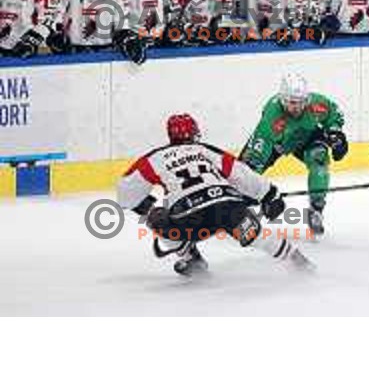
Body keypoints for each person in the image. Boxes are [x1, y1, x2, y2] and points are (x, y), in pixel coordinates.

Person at [117, 113, 311, 275]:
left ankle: (191, 258)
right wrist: (269, 195)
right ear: (194, 132)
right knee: (256, 235)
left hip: (188, 219)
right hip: (226, 208)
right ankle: (298, 261)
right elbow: (240, 172)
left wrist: (145, 207)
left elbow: (125, 189)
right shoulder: (204, 150)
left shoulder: (155, 158)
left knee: (157, 217)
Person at [240, 73, 347, 236]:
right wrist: (253, 177)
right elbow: (260, 146)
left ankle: (316, 210)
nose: (297, 107)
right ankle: (236, 212)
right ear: (283, 99)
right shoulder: (273, 115)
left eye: (301, 102)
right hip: (278, 144)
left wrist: (336, 133)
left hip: (306, 138)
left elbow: (333, 113)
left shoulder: (316, 103)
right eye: (292, 103)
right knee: (245, 174)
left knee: (320, 160)